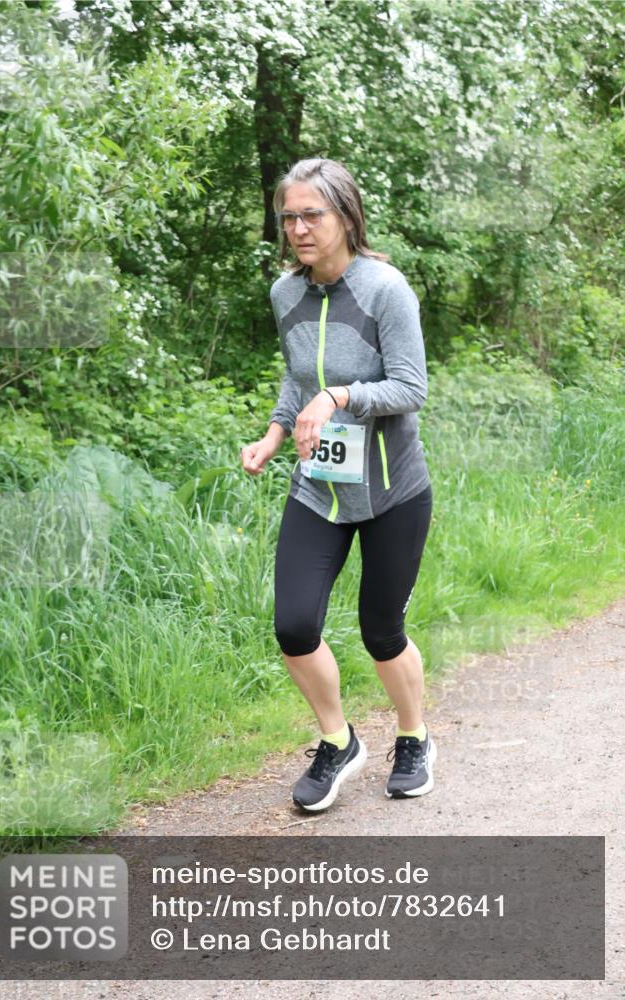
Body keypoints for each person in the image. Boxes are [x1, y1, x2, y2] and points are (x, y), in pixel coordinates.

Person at [240, 157, 434, 813]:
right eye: (287, 216)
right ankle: (337, 741)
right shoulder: (283, 294)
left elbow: (411, 388)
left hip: (390, 492)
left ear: (345, 217)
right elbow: (297, 378)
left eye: (310, 215)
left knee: (381, 630)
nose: (296, 228)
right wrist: (273, 433)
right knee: (294, 624)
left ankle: (412, 738)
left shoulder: (385, 290)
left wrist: (339, 395)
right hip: (318, 487)